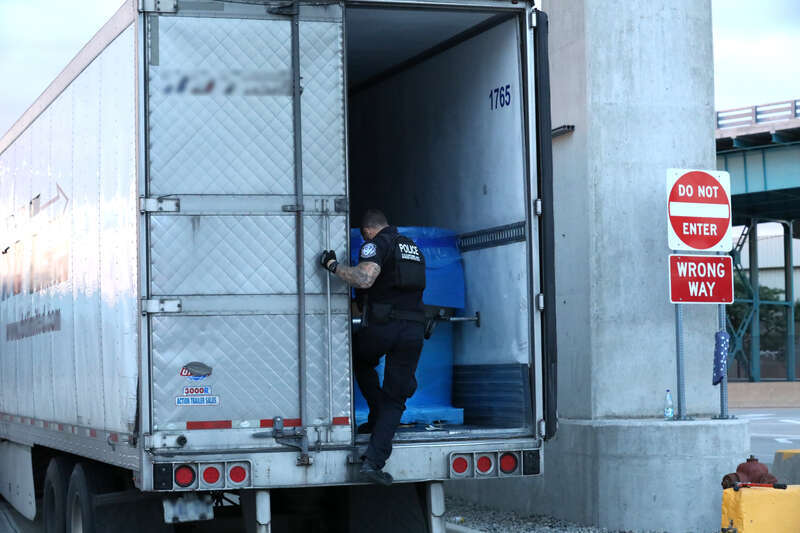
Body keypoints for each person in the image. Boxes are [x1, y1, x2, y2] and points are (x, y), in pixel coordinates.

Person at [319, 209, 426, 486]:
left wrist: (333, 266)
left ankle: (377, 412)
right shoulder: (411, 247)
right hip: (413, 329)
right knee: (396, 398)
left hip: (384, 326)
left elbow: (365, 278)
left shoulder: (376, 243)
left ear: (367, 231)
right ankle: (373, 462)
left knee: (357, 358)